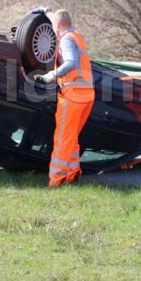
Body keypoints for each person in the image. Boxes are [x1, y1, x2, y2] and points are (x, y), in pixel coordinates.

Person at [38, 10, 95, 187]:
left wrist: (52, 75)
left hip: (72, 96)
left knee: (62, 138)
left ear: (59, 25)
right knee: (71, 138)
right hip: (87, 95)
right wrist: (44, 11)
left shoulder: (66, 40)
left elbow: (70, 63)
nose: (52, 29)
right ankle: (71, 175)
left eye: (53, 25)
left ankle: (56, 181)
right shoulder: (77, 36)